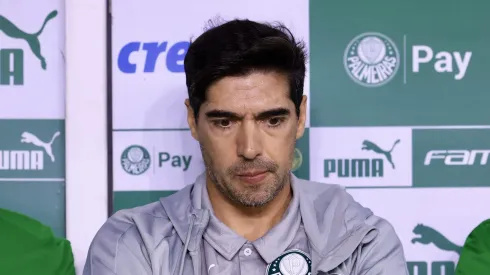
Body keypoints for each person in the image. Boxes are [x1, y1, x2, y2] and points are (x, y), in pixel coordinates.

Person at [83, 18, 409, 275]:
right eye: (225, 122)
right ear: (193, 121)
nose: (250, 148)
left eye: (272, 120)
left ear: (300, 117)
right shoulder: (134, 241)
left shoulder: (362, 241)